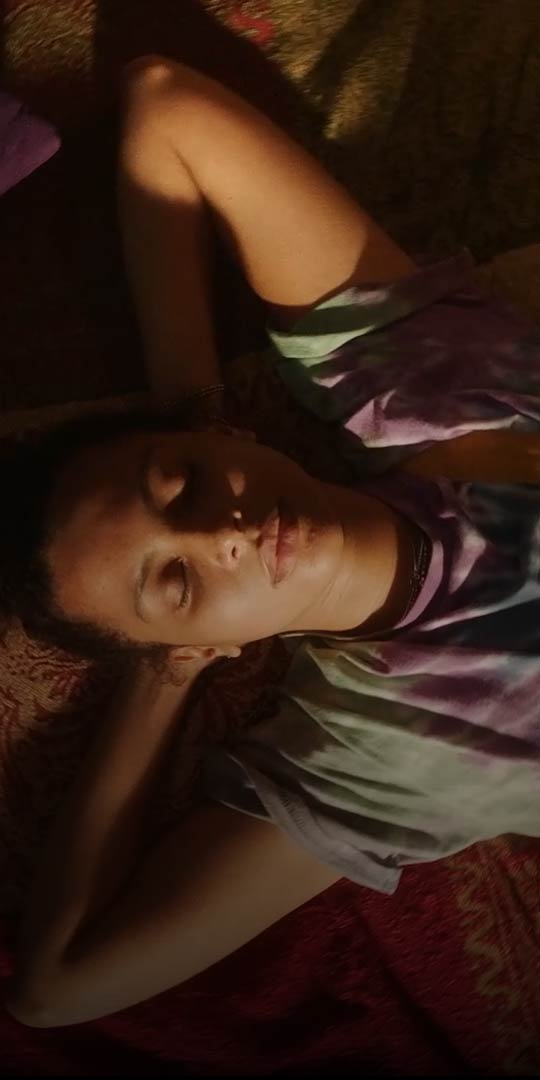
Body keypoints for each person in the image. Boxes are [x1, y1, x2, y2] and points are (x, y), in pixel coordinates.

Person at [4, 56, 540, 1027]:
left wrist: (193, 404)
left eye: (184, 481)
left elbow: (164, 103)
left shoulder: (419, 384)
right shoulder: (382, 755)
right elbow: (58, 987)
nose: (224, 533)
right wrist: (163, 681)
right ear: (212, 642)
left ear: (230, 441)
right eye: (175, 583)